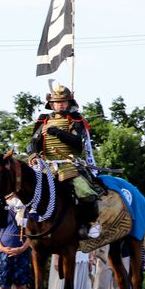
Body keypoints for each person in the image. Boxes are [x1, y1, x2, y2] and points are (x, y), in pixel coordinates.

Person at [27, 85, 102, 238]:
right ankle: (28, 224)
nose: (60, 104)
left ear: (69, 103)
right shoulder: (44, 121)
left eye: (63, 102)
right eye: (57, 102)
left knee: (86, 193)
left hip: (70, 165)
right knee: (27, 191)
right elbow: (32, 143)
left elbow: (77, 142)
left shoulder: (75, 120)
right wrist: (34, 154)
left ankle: (86, 224)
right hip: (46, 166)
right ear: (52, 104)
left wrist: (57, 132)